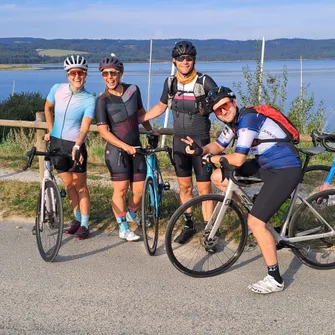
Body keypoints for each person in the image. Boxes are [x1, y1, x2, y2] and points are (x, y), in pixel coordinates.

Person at [182, 86, 303, 294]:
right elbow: (219, 146)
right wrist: (200, 150)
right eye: (217, 111)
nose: (223, 112)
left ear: (234, 102)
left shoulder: (248, 120)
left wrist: (211, 159)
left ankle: (275, 279)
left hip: (285, 169)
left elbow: (237, 160)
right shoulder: (234, 123)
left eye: (225, 106)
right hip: (267, 166)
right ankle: (257, 211)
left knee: (255, 222)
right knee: (218, 176)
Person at [138, 40, 217, 244]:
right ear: (174, 61)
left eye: (189, 58)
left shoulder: (204, 82)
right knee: (184, 187)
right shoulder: (170, 82)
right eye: (181, 58)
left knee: (205, 189)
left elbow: (222, 104)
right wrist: (140, 119)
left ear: (194, 60)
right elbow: (161, 106)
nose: (185, 62)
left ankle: (209, 232)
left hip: (200, 145)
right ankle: (189, 224)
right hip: (179, 145)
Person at [95, 54, 155, 242]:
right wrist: (125, 146)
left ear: (120, 73)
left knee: (138, 190)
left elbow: (141, 113)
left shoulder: (133, 90)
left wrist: (151, 131)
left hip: (136, 149)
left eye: (113, 73)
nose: (109, 77)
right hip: (116, 152)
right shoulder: (102, 100)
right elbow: (104, 132)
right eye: (105, 74)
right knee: (120, 190)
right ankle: (123, 227)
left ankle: (131, 213)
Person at [42, 55, 95, 239]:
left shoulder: (89, 99)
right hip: (56, 144)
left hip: (75, 146)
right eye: (73, 73)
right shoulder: (57, 89)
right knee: (69, 185)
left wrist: (78, 145)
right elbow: (47, 108)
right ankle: (78, 220)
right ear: (68, 75)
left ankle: (85, 225)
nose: (77, 76)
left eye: (80, 72)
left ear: (86, 75)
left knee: (81, 187)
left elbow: (85, 127)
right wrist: (51, 130)